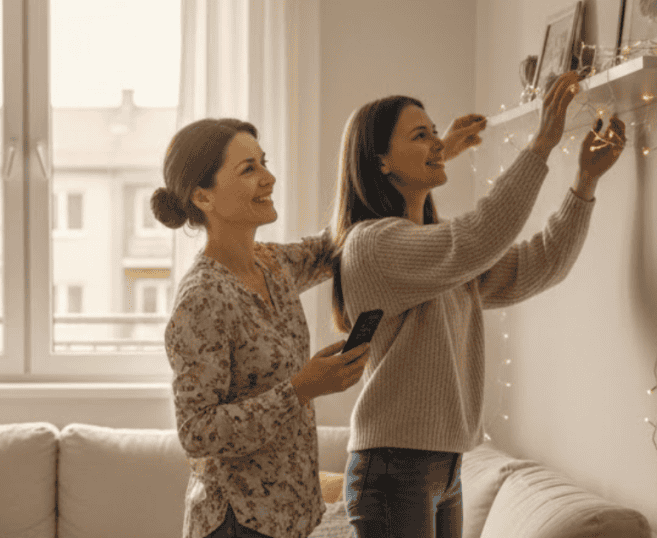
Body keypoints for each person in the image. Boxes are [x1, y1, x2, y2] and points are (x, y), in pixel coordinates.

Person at [330, 71, 626, 538]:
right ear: (382, 162)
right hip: (394, 470)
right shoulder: (373, 245)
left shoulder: (438, 254)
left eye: (435, 132)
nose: (438, 143)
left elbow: (538, 265)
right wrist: (542, 143)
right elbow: (479, 235)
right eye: (421, 135)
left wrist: (585, 183)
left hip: (443, 467)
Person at [154, 117, 372, 538]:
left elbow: (334, 243)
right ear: (203, 196)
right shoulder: (202, 298)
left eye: (263, 163)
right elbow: (197, 433)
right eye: (248, 169)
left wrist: (401, 160)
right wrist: (301, 389)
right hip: (238, 524)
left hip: (293, 520)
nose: (269, 178)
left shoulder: (272, 264)